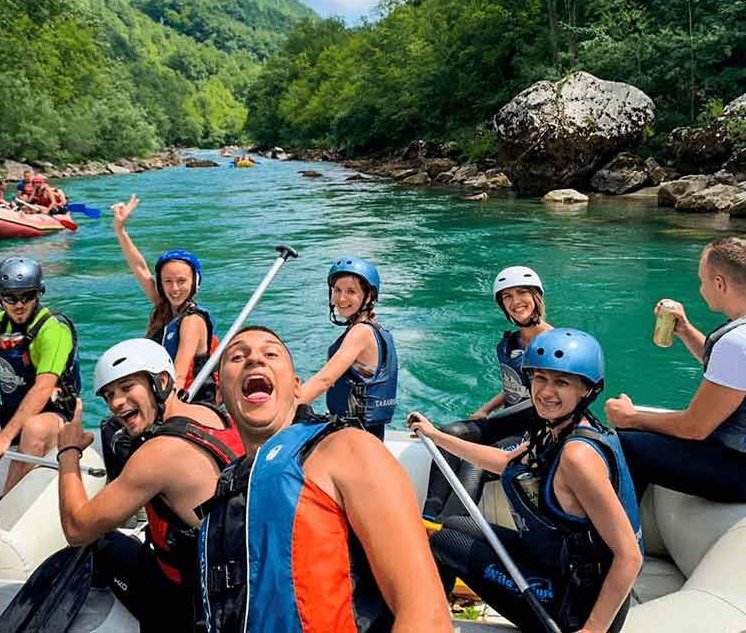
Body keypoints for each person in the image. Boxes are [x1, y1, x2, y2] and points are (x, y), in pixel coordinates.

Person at [198, 327, 452, 633]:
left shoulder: (347, 450)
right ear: (220, 394)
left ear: (296, 388)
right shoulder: (228, 487)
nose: (254, 359)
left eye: (271, 353)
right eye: (237, 356)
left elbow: (427, 616)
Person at [410, 328, 643, 633]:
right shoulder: (553, 429)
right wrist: (437, 436)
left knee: (442, 541)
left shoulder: (578, 457)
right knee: (454, 525)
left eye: (561, 382)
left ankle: (425, 626)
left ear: (587, 390)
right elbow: (506, 462)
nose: (545, 392)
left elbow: (630, 556)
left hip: (569, 604)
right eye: (540, 378)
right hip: (549, 562)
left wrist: (592, 630)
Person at [56, 338, 244, 632]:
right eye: (108, 395)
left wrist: (68, 452)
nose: (116, 403)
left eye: (128, 387)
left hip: (191, 601)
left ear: (162, 381)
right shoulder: (215, 414)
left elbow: (76, 529)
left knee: (99, 543)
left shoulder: (158, 454)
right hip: (234, 582)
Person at [606, 236, 746, 502]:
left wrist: (631, 417)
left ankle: (615, 539)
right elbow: (731, 369)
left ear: (720, 283)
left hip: (738, 471)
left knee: (621, 442)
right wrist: (684, 330)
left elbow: (695, 428)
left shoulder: (737, 342)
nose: (701, 289)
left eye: (702, 280)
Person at [421, 266, 553, 520]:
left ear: (536, 297)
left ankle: (448, 530)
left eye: (522, 293)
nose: (515, 302)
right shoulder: (511, 342)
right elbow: (513, 386)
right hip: (509, 422)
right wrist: (486, 410)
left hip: (536, 431)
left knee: (476, 462)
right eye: (507, 297)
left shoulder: (553, 343)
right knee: (448, 434)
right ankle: (428, 517)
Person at [0, 256, 81, 494]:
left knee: (33, 428)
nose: (19, 304)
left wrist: (5, 437)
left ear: (38, 294)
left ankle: (6, 504)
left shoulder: (53, 329)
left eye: (28, 296)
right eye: (10, 297)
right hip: (14, 409)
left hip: (57, 414)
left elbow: (43, 387)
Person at [110, 193, 219, 399]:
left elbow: (178, 374)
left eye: (182, 281)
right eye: (167, 282)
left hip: (191, 402)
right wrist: (120, 230)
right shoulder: (165, 306)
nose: (175, 289)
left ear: (195, 282)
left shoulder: (192, 321)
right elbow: (140, 267)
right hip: (164, 394)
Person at [297, 257, 398, 440]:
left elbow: (324, 380)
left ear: (370, 297)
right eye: (337, 290)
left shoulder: (360, 333)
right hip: (368, 434)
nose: (341, 298)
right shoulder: (374, 329)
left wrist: (284, 408)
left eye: (351, 291)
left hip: (355, 438)